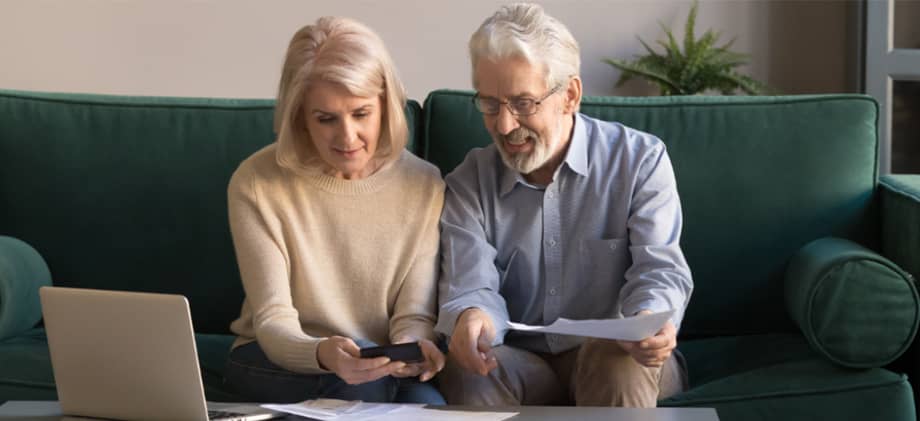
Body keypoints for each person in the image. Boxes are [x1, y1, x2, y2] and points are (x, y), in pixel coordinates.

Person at [435, 3, 693, 408]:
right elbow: (473, 285)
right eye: (489, 104)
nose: (504, 126)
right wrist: (472, 319)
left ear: (569, 95)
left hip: (616, 357)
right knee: (467, 369)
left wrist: (649, 319)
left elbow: (658, 270)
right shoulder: (470, 180)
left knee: (615, 358)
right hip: (521, 361)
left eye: (522, 103)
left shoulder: (640, 160)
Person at [223, 16, 446, 404]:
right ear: (299, 117)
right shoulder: (256, 182)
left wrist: (412, 348)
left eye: (361, 114)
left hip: (377, 363)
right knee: (364, 383)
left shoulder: (425, 185)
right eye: (325, 119)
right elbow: (274, 320)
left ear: (385, 105)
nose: (347, 137)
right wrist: (324, 353)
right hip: (275, 357)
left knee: (431, 405)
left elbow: (414, 315)